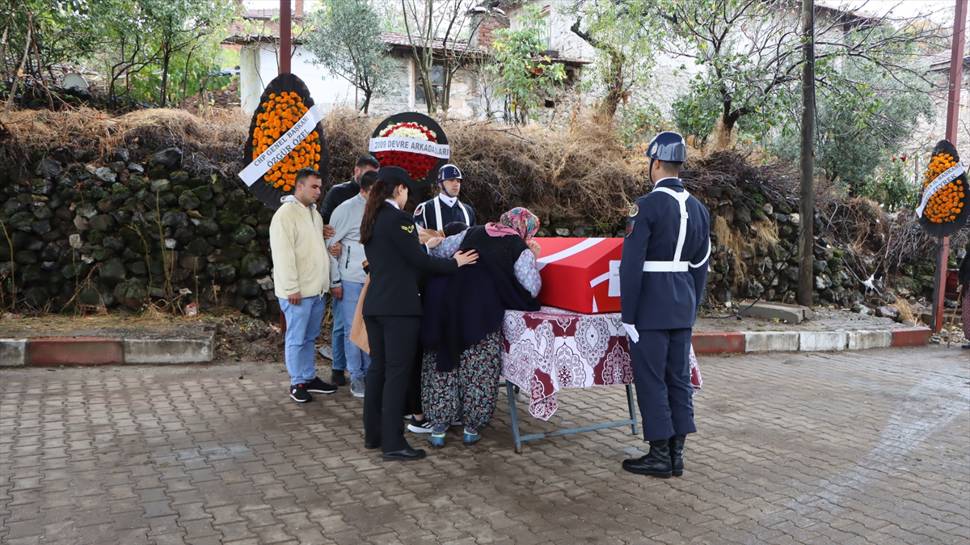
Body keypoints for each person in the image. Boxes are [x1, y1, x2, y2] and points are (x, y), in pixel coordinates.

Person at [360, 166, 479, 461]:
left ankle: (373, 435)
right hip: (399, 308)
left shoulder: (372, 218)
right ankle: (393, 443)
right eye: (406, 191)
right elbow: (418, 261)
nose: (407, 197)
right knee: (397, 374)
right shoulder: (399, 219)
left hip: (375, 305)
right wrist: (455, 262)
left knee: (378, 370)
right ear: (398, 188)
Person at [619, 131, 711, 478]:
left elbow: (632, 265)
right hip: (682, 304)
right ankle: (677, 454)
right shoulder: (700, 209)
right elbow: (701, 266)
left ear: (655, 163)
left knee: (652, 378)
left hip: (651, 308)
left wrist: (628, 314)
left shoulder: (646, 206)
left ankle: (659, 453)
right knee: (678, 379)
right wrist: (692, 305)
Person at [421, 208, 543, 447]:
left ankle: (438, 427)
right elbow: (531, 288)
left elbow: (440, 251)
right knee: (477, 368)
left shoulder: (472, 232)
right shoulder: (519, 248)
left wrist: (436, 243)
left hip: (447, 304)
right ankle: (471, 428)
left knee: (443, 364)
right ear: (525, 229)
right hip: (481, 313)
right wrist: (532, 256)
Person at [269, 168, 339, 403]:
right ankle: (297, 381)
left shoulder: (313, 213)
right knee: (296, 338)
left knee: (310, 337)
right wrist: (291, 289)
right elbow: (283, 254)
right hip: (297, 292)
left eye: (320, 187)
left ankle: (308, 377)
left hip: (316, 290)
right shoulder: (285, 215)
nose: (319, 191)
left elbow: (309, 244)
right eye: (314, 187)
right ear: (299, 186)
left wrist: (323, 232)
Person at [320, 154, 381, 386]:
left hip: (374, 279)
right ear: (365, 188)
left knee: (369, 328)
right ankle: (354, 375)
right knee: (349, 328)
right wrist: (335, 281)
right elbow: (330, 242)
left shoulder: (380, 209)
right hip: (350, 278)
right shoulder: (344, 206)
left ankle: (368, 372)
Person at [414, 164, 476, 232]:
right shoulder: (425, 209)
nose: (456, 184)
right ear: (440, 184)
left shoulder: (468, 211)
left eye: (458, 181)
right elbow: (417, 239)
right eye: (451, 180)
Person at [960, 241, 970, 349]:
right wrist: (962, 281)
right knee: (967, 313)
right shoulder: (968, 254)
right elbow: (962, 269)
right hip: (968, 286)